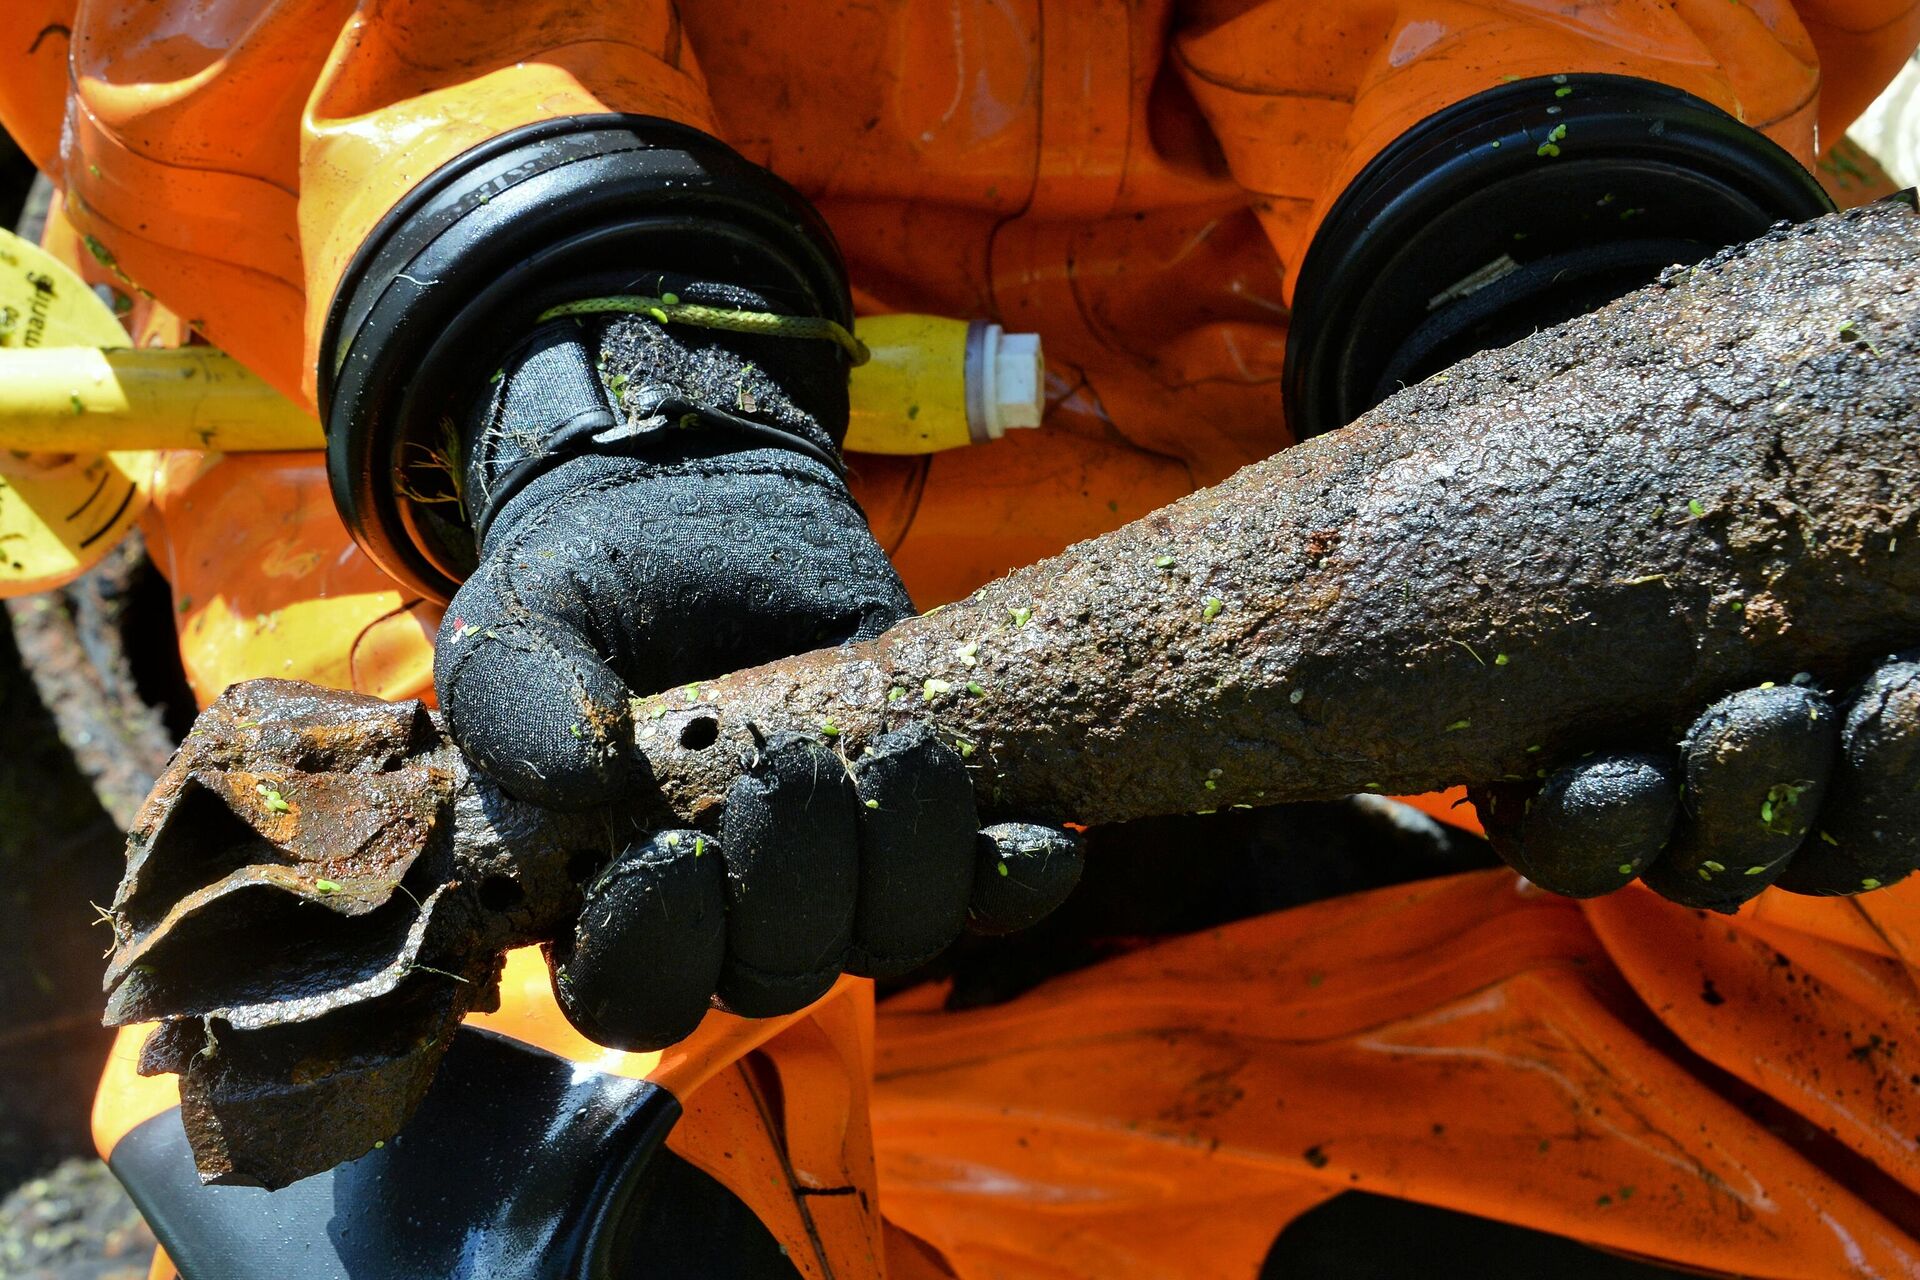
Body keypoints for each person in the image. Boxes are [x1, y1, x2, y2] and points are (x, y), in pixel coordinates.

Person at [6, 2, 1920, 1275]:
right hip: (467, 413)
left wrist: (1561, 225)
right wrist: (565, 335)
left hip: (1345, 308)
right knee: (432, 1222)